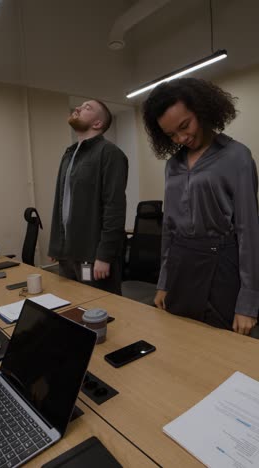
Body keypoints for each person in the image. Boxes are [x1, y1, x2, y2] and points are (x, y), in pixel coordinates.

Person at [143, 78, 259, 335]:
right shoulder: (172, 165)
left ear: (202, 109)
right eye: (171, 134)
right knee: (179, 343)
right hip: (181, 266)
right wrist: (163, 282)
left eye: (185, 125)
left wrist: (248, 304)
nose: (182, 138)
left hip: (221, 267)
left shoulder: (236, 156)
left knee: (218, 355)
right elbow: (169, 229)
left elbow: (248, 231)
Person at [48, 99, 128, 294]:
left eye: (87, 108)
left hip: (94, 258)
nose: (78, 108)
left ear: (97, 123)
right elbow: (61, 202)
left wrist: (105, 256)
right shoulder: (69, 154)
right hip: (68, 255)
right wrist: (56, 246)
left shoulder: (110, 153)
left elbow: (114, 207)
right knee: (70, 310)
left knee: (100, 313)